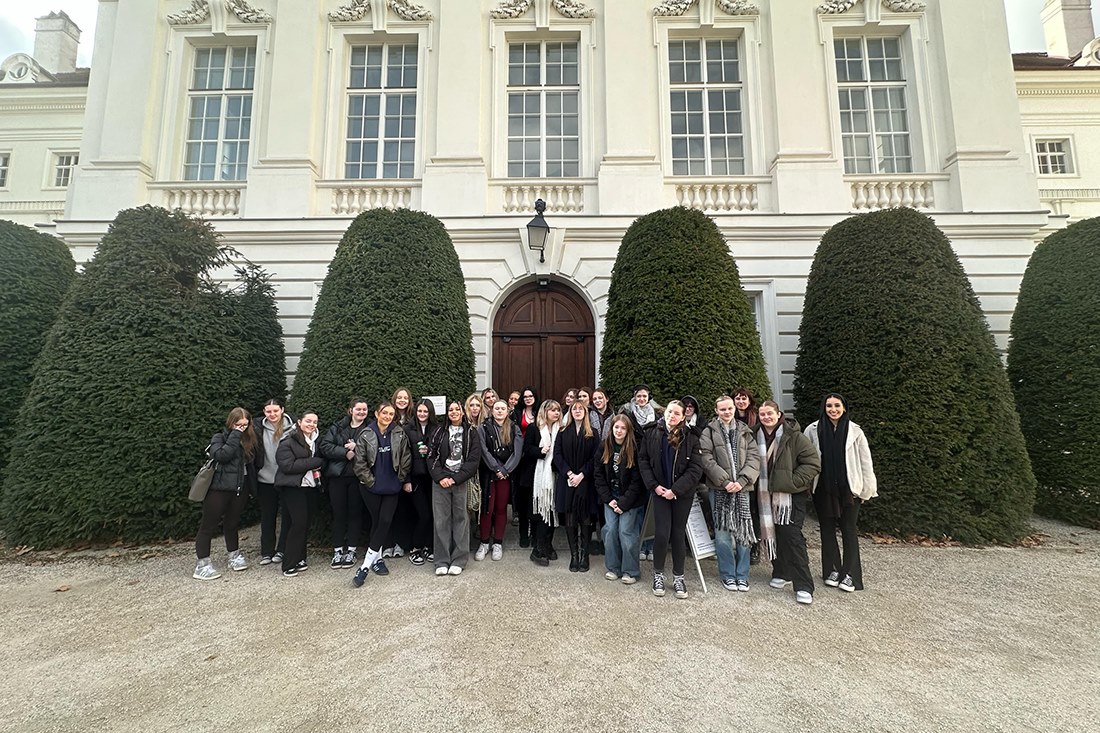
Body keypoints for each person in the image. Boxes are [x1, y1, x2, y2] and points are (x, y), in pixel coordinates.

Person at [805, 393, 877, 592]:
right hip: (823, 488)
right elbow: (807, 459)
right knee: (827, 531)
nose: (833, 409)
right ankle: (832, 570)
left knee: (849, 530)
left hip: (849, 489)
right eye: (829, 406)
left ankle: (851, 575)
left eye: (837, 405)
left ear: (844, 408)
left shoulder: (855, 431)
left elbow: (865, 461)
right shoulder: (812, 430)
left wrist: (867, 489)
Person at [756, 400, 821, 605]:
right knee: (774, 532)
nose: (766, 417)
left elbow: (812, 462)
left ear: (779, 414)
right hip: (765, 495)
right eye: (762, 414)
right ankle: (782, 572)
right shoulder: (753, 435)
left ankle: (803, 584)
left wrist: (793, 482)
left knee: (792, 536)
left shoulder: (794, 436)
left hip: (790, 496)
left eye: (769, 413)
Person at [639, 400, 704, 599]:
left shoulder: (691, 437)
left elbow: (695, 468)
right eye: (669, 412)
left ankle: (678, 577)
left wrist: (675, 490)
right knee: (661, 533)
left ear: (683, 416)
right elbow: (643, 461)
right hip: (659, 492)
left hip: (681, 494)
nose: (671, 416)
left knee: (677, 535)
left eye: (676, 413)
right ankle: (658, 574)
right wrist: (655, 486)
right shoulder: (651, 432)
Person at [699, 395, 762, 592]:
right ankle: (728, 574)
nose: (727, 412)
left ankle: (742, 575)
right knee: (723, 534)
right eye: (723, 409)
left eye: (730, 409)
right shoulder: (708, 431)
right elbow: (706, 458)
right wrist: (725, 482)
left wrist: (742, 481)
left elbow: (754, 458)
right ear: (716, 410)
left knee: (743, 532)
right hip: (719, 490)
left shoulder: (745, 431)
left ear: (734, 409)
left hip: (742, 489)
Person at [352, 401, 413, 586]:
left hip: (392, 487)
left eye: (390, 414)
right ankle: (377, 560)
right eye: (384, 413)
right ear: (377, 413)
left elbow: (406, 457)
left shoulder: (399, 432)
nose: (387, 416)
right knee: (377, 522)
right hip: (371, 487)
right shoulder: (366, 433)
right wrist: (370, 481)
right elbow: (359, 462)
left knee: (385, 521)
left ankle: (364, 566)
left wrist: (400, 479)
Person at [193, 408, 257, 580]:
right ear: (231, 423)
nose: (242, 428)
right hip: (218, 489)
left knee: (232, 523)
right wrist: (235, 435)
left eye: (245, 425)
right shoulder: (219, 438)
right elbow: (222, 455)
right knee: (208, 525)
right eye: (238, 425)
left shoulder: (250, 440)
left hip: (239, 488)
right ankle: (202, 564)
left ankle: (234, 555)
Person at [428, 400, 483, 576]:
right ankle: (441, 560)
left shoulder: (471, 432)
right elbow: (431, 456)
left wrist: (456, 478)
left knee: (461, 519)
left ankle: (459, 559)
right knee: (441, 521)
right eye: (450, 410)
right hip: (440, 482)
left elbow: (474, 459)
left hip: (461, 481)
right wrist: (441, 477)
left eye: (456, 409)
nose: (453, 412)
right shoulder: (438, 431)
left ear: (462, 412)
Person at [593, 414, 646, 584]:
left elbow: (638, 481)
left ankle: (631, 571)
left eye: (623, 428)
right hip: (611, 497)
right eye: (617, 427)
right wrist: (608, 499)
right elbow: (598, 475)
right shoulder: (605, 446)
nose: (619, 431)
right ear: (612, 428)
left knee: (626, 532)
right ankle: (613, 567)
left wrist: (623, 503)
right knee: (610, 531)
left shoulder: (634, 449)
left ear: (628, 430)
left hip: (630, 499)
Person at [319, 398, 370, 570]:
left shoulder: (369, 428)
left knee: (355, 514)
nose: (362, 412)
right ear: (351, 410)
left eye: (364, 409)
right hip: (337, 478)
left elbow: (374, 449)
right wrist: (344, 452)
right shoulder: (338, 427)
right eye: (358, 409)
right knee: (339, 514)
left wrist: (357, 447)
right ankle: (338, 551)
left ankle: (352, 550)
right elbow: (324, 446)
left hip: (357, 478)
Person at [274, 411, 325, 577]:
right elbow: (287, 466)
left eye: (315, 422)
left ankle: (300, 558)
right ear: (299, 422)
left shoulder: (317, 441)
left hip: (310, 487)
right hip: (293, 487)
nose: (311, 424)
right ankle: (288, 563)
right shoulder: (288, 441)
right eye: (308, 421)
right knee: (298, 523)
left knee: (305, 523)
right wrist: (315, 462)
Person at [553, 401, 601, 572]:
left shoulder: (593, 433)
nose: (578, 411)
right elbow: (557, 455)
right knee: (571, 518)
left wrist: (581, 474)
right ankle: (574, 555)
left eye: (581, 409)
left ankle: (584, 554)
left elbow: (596, 457)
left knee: (586, 519)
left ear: (586, 412)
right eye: (575, 409)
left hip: (585, 482)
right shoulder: (563, 432)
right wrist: (569, 473)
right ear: (571, 412)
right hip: (568, 481)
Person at [476, 400, 524, 561]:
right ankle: (484, 543)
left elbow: (517, 453)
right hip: (489, 474)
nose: (499, 411)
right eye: (497, 408)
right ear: (492, 410)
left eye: (503, 408)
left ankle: (497, 542)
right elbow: (483, 450)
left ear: (507, 411)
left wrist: (505, 470)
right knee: (486, 508)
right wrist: (496, 468)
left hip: (506, 475)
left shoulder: (514, 428)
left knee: (501, 508)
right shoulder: (482, 428)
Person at [253, 398, 294, 566]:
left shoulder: (293, 426)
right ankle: (267, 552)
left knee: (287, 516)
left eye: (275, 411)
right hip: (265, 478)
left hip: (286, 478)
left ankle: (282, 549)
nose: (272, 414)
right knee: (267, 516)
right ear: (264, 412)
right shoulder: (256, 427)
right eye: (268, 411)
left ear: (282, 410)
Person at [404, 398, 439, 566]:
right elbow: (403, 457)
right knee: (422, 514)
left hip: (433, 478)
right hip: (416, 478)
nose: (422, 414)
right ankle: (415, 548)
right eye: (420, 411)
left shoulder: (437, 428)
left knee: (433, 514)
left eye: (425, 411)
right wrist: (407, 480)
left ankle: (429, 546)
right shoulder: (407, 429)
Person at [530, 400, 563, 566]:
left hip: (556, 476)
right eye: (552, 410)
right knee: (542, 514)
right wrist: (540, 451)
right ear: (545, 412)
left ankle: (548, 544)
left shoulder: (561, 430)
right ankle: (538, 548)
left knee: (553, 512)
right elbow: (526, 450)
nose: (556, 413)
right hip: (540, 478)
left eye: (558, 410)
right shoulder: (534, 429)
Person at [385, 387, 416, 559]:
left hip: (407, 469)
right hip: (389, 469)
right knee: (390, 509)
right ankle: (388, 543)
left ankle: (401, 544)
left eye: (405, 398)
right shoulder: (389, 418)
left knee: (405, 509)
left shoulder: (413, 419)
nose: (402, 400)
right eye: (399, 397)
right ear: (394, 399)